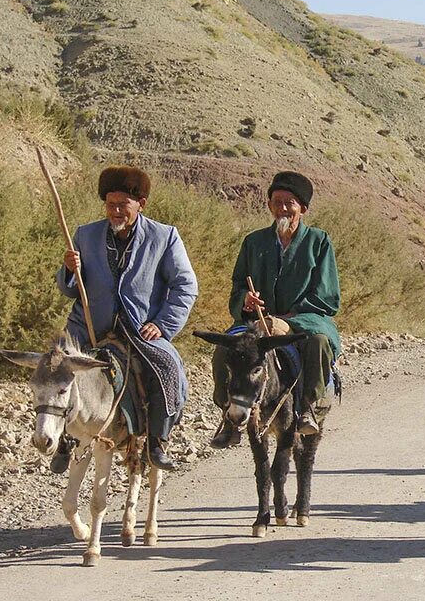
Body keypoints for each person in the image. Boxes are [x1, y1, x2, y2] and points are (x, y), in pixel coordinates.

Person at [56, 166, 198, 471]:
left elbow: (186, 286)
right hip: (89, 327)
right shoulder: (84, 234)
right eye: (111, 205)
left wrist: (162, 324)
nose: (116, 211)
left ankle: (157, 440)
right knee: (54, 369)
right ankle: (62, 440)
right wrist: (69, 269)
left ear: (141, 203)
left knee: (168, 369)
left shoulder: (164, 236)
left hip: (140, 328)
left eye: (123, 205)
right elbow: (68, 290)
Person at [210, 171, 340, 449]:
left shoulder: (319, 242)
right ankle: (228, 416)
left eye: (289, 203)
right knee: (224, 349)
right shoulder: (253, 242)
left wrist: (291, 318)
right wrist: (246, 300)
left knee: (317, 344)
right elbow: (236, 286)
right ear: (269, 204)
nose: (282, 208)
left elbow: (327, 295)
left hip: (305, 320)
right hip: (257, 323)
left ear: (302, 209)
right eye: (277, 201)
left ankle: (307, 407)